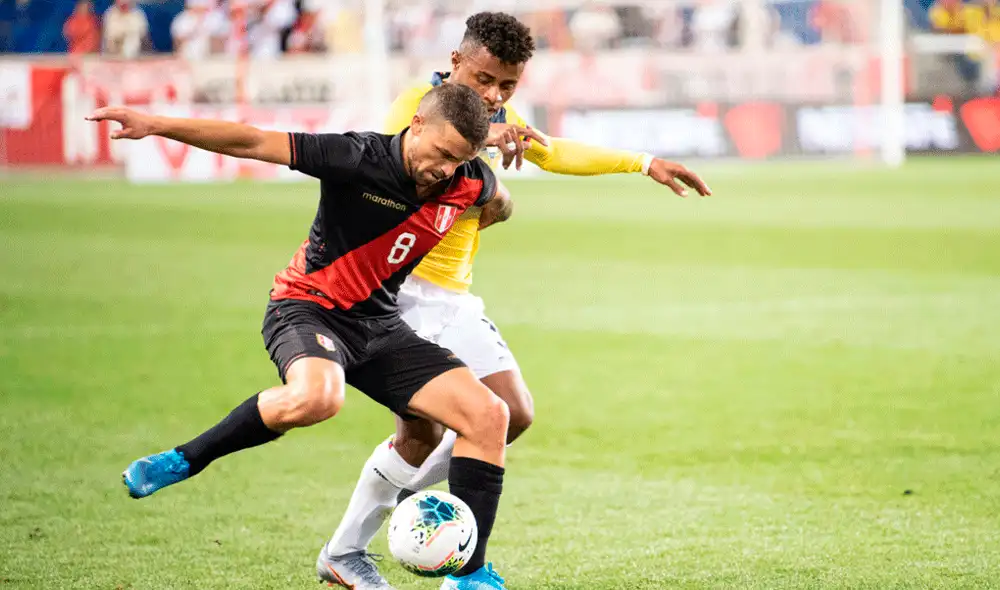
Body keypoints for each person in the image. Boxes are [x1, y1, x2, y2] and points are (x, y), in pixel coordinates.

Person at [319, 11, 711, 590]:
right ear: (456, 62)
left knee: (512, 415)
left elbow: (553, 152)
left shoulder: (499, 117)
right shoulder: (417, 108)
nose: (494, 95)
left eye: (507, 87)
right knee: (425, 433)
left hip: (454, 299)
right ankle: (372, 553)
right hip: (397, 298)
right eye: (483, 79)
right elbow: (399, 167)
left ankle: (428, 530)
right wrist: (484, 145)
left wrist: (643, 163)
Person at [87, 82, 515, 590]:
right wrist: (156, 124)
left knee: (491, 416)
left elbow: (498, 201)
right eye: (442, 153)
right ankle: (185, 459)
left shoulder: (469, 179)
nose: (446, 168)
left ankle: (468, 576)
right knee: (318, 397)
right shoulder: (356, 157)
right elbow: (251, 141)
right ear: (416, 125)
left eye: (460, 158)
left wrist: (477, 203)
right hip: (307, 309)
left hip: (380, 325)